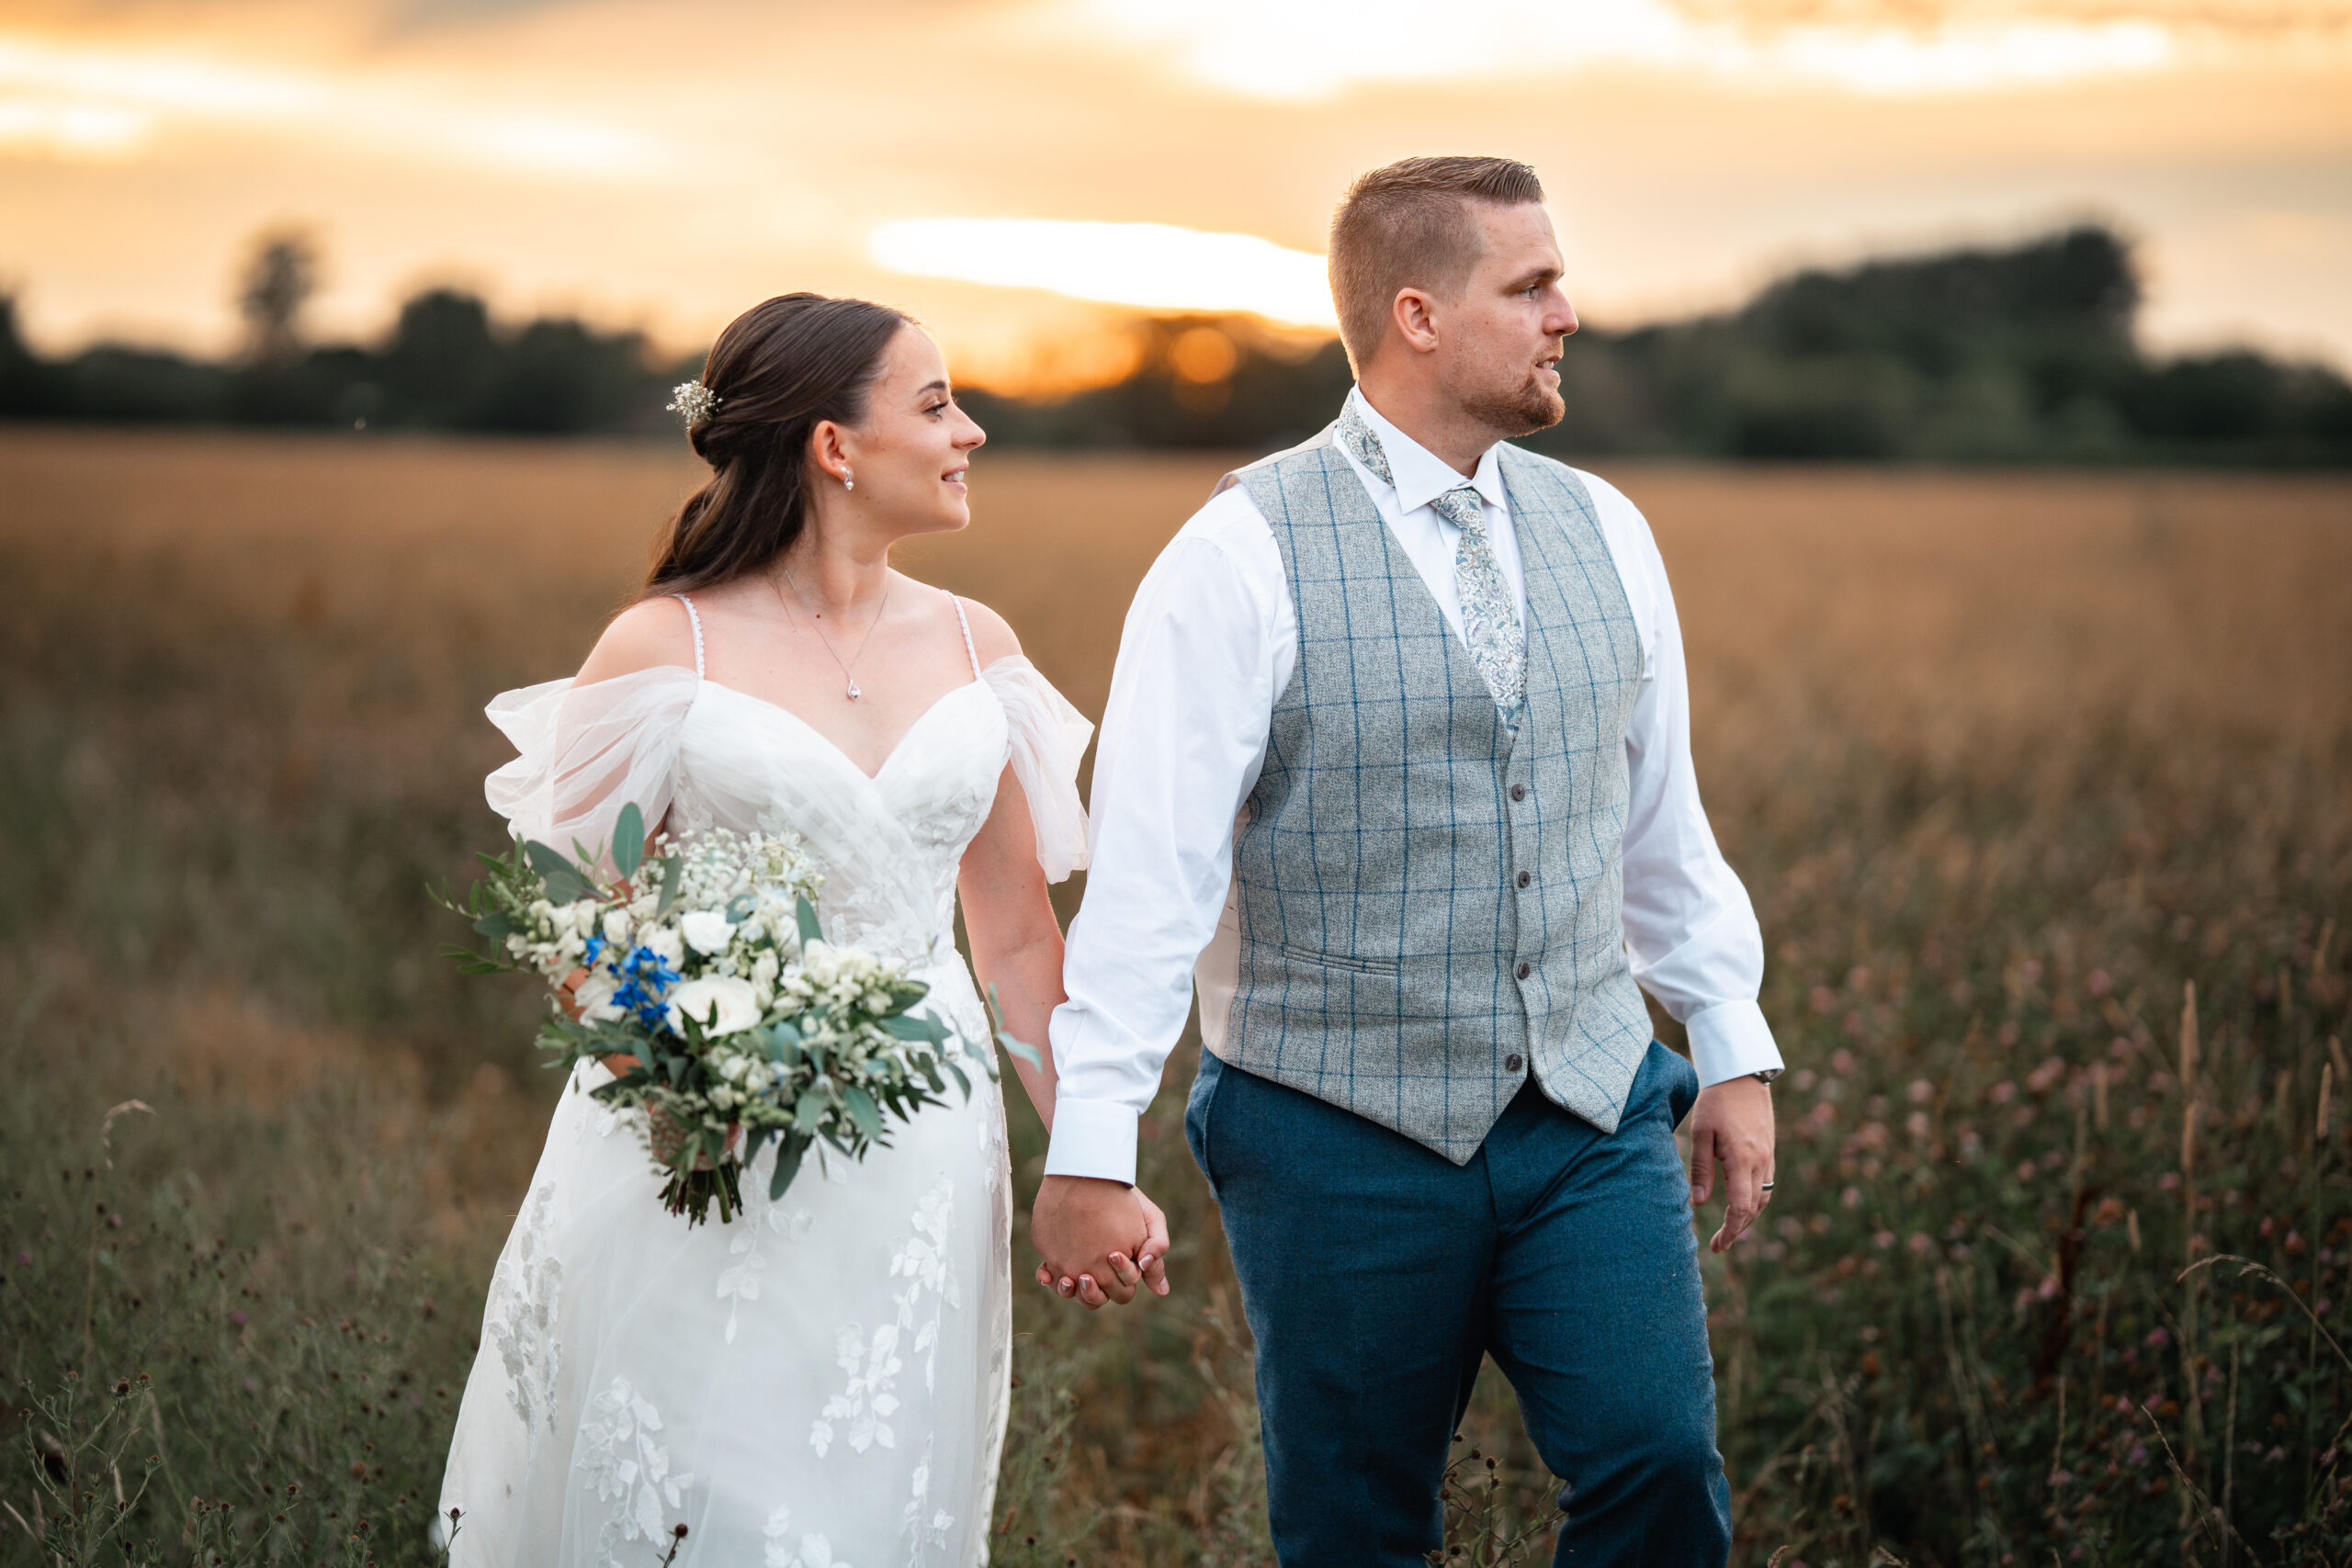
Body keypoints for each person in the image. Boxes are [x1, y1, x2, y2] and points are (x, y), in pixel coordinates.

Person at [1032, 157, 1782, 1564]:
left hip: (1589, 1108)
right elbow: (1152, 880)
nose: (1568, 313)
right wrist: (1091, 1147)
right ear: (1421, 315)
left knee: (1661, 1466)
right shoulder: (1236, 554)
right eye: (1533, 285)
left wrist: (1728, 1046)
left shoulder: (1607, 530)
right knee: (1357, 1525)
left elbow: (1657, 821)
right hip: (1332, 1130)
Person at [435, 292, 1169, 1567]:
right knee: (714, 1502)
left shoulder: (973, 645)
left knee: (870, 1491)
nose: (971, 432)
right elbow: (579, 925)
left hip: (925, 1151)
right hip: (702, 1147)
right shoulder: (666, 647)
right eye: (936, 404)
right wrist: (678, 1084)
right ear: (835, 447)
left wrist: (1085, 1159)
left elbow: (1012, 940)